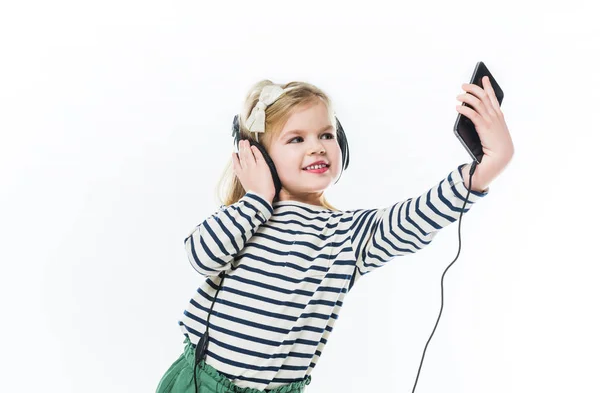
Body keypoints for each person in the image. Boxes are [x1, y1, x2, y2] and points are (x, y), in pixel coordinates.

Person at [156, 78, 514, 393]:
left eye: (326, 134)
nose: (317, 147)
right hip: (202, 383)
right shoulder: (245, 218)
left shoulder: (346, 235)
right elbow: (201, 256)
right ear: (259, 156)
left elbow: (411, 219)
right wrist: (256, 201)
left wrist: (481, 173)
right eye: (296, 138)